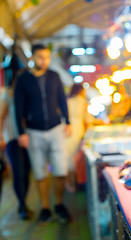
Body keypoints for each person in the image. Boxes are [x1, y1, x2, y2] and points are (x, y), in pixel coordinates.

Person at [14, 44, 72, 223]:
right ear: (33, 58)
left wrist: (67, 121)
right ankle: (45, 207)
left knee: (61, 170)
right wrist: (21, 132)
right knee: (40, 173)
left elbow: (62, 100)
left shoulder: (54, 76)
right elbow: (19, 107)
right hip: (33, 131)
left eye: (47, 57)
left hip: (55, 128)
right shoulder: (23, 79)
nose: (44, 61)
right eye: (40, 57)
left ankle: (59, 204)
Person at [0, 51, 32, 219]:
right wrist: (1, 137)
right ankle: (21, 205)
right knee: (19, 173)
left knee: (26, 172)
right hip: (13, 138)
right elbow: (1, 116)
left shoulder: (26, 93)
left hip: (29, 138)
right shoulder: (9, 94)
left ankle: (23, 203)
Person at [65, 84, 91, 192]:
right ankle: (78, 182)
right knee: (77, 158)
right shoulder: (83, 102)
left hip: (68, 131)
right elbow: (88, 120)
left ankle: (70, 184)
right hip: (79, 130)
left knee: (68, 158)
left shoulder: (67, 101)